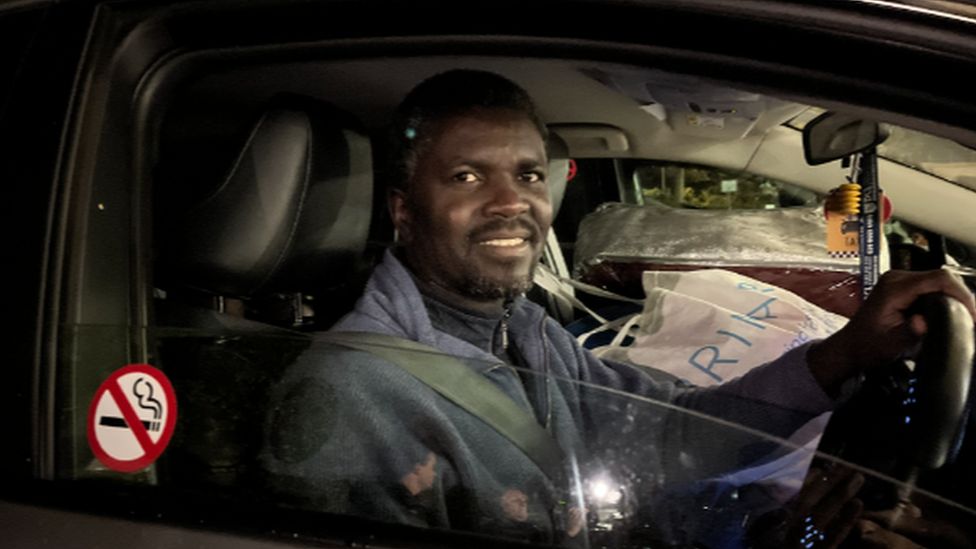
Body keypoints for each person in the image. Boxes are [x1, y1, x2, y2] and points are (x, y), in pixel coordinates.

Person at [259, 70, 976, 546]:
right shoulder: (348, 399)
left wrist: (841, 355)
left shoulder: (529, 331)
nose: (512, 201)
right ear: (404, 211)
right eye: (467, 175)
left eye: (529, 174)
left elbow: (666, 436)